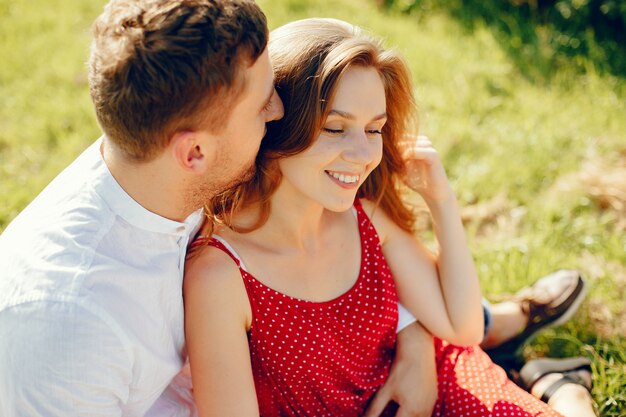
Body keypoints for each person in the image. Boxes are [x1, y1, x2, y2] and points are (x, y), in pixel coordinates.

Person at [0, 1, 448, 416]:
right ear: (194, 153)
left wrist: (413, 336)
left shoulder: (161, 163)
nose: (278, 111)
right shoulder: (70, 333)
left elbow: (319, 259)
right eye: (260, 106)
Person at [184, 18, 597, 417]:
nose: (364, 155)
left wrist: (442, 202)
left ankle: (562, 390)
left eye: (374, 129)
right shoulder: (219, 275)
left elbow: (463, 328)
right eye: (335, 128)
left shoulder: (366, 219)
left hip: (442, 380)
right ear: (277, 121)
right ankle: (561, 386)